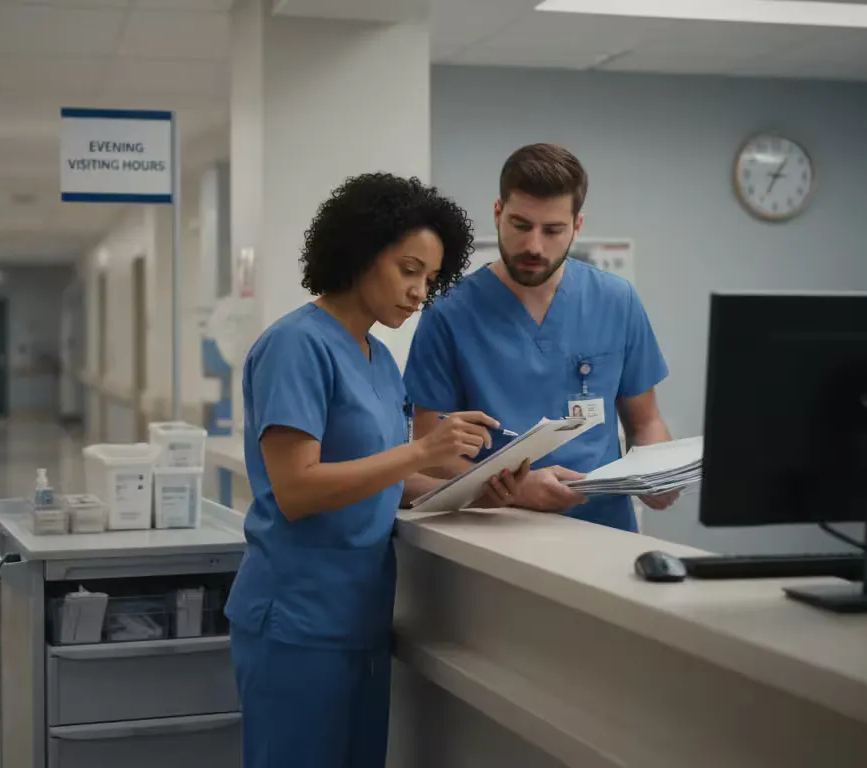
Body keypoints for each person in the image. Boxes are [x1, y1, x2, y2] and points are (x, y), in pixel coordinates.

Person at [224, 172, 527, 768]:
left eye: (432, 279)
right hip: (295, 621)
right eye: (408, 270)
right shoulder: (296, 347)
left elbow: (385, 477)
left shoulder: (381, 359)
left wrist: (472, 490)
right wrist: (423, 451)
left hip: (360, 616)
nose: (420, 293)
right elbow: (297, 489)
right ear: (361, 251)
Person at [405, 143, 676, 532]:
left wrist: (658, 470)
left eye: (552, 230)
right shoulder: (448, 314)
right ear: (498, 214)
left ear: (576, 227)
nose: (534, 245)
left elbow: (646, 421)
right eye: (521, 225)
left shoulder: (616, 301)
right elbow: (430, 451)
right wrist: (512, 489)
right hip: (496, 533)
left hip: (606, 531)